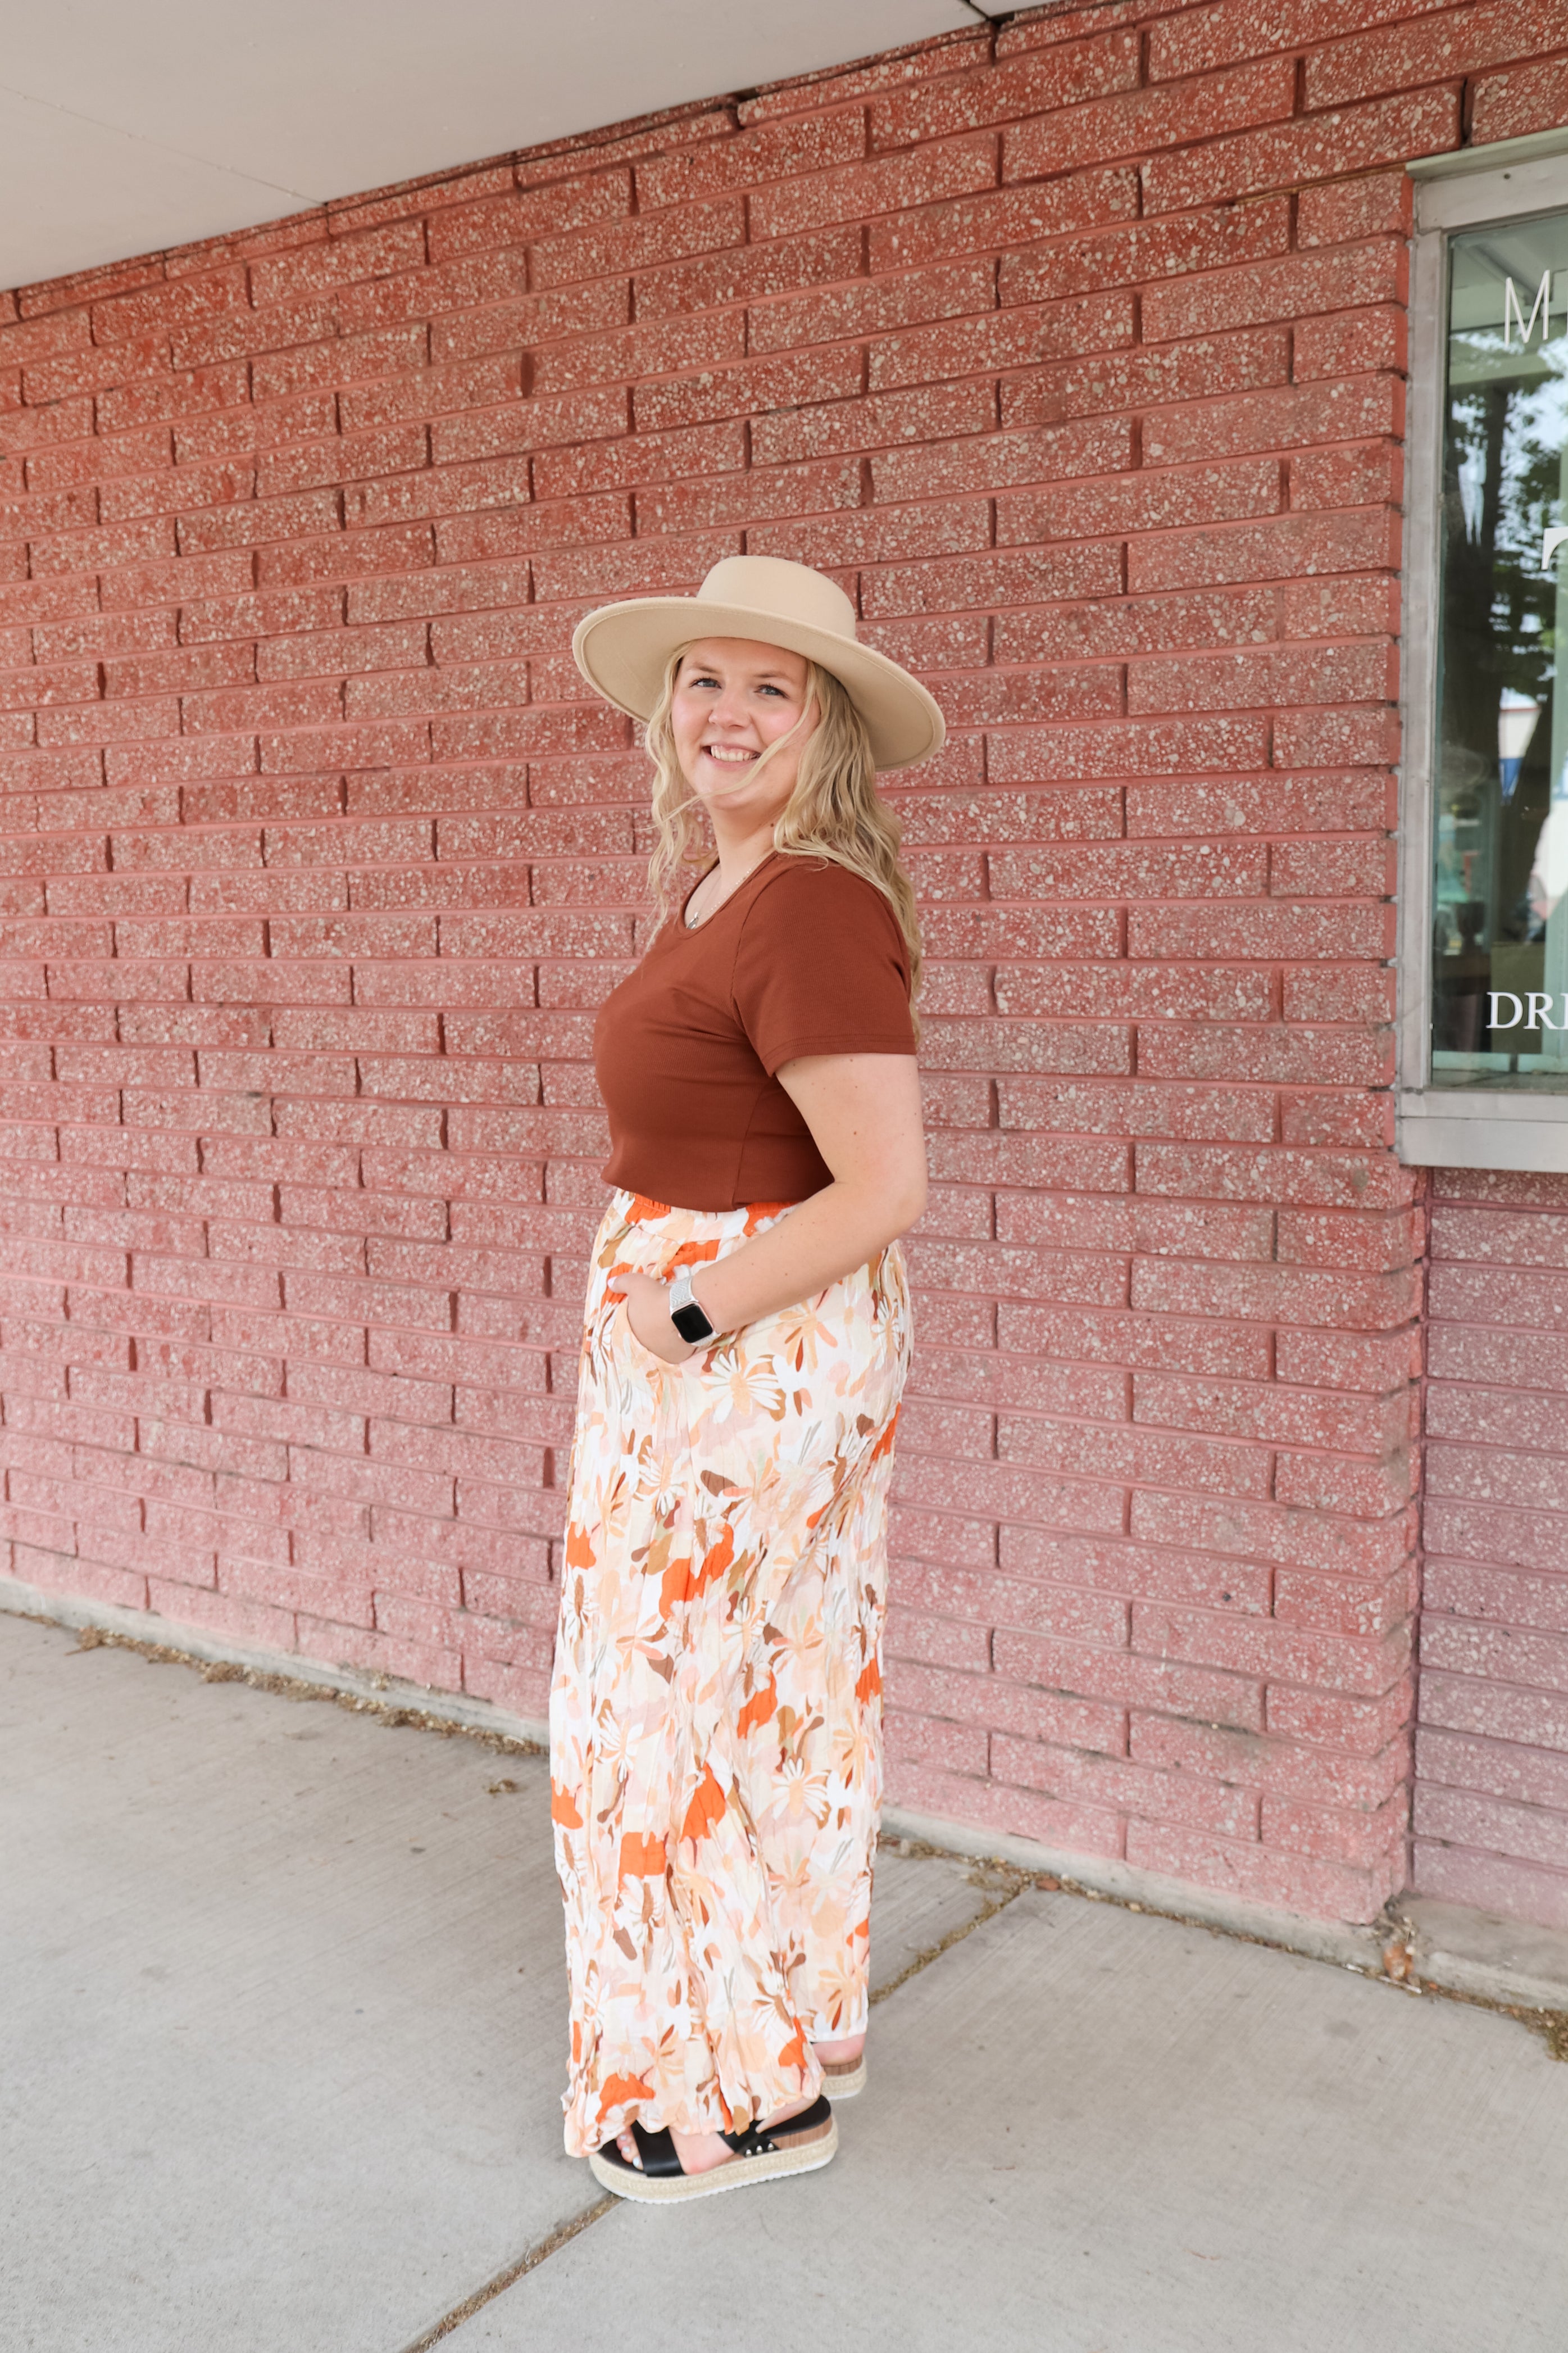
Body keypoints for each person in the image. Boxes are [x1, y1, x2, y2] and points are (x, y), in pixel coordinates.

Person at [551, 554, 944, 2205]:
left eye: (769, 687)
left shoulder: (813, 901)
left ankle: (690, 2096)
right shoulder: (728, 889)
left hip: (742, 1353)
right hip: (734, 1343)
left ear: (827, 723)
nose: (724, 711)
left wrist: (683, 1316)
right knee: (774, 1681)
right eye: (703, 680)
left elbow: (884, 1184)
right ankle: (783, 2037)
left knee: (650, 1707)